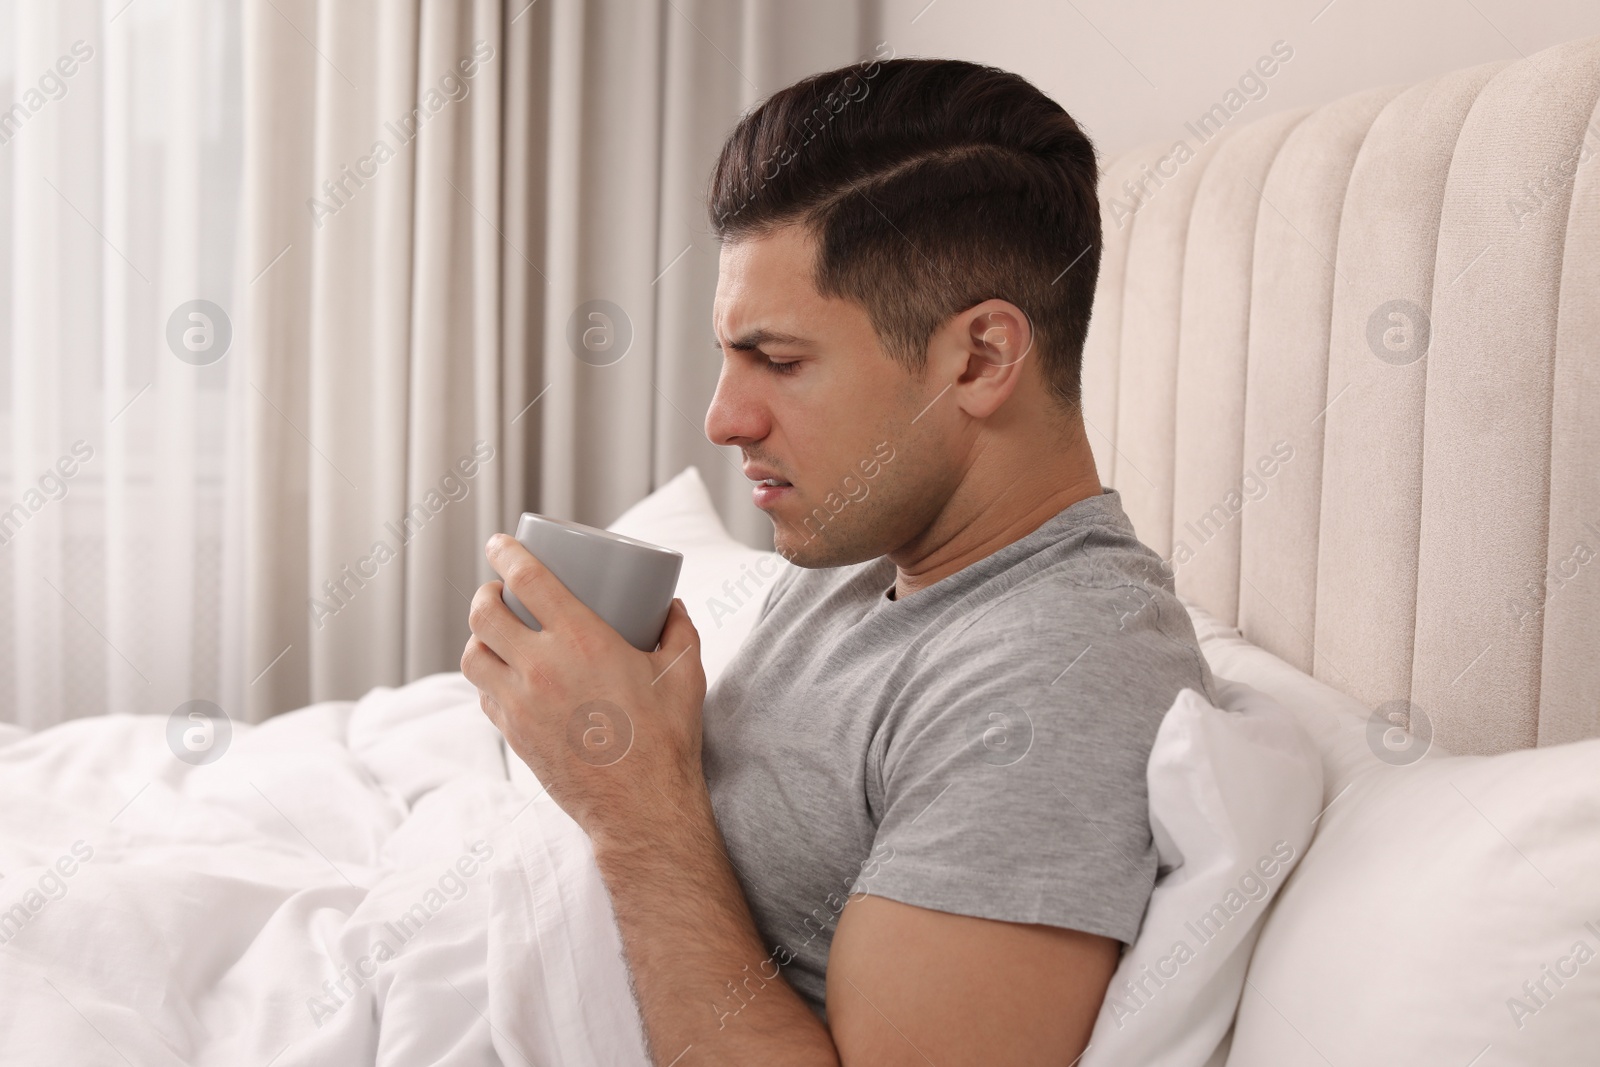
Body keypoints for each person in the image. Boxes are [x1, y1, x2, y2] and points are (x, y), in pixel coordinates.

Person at [464, 55, 1214, 1066]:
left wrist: (631, 802)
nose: (723, 418)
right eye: (730, 357)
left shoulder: (1051, 679)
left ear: (982, 358)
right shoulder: (862, 554)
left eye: (779, 362)